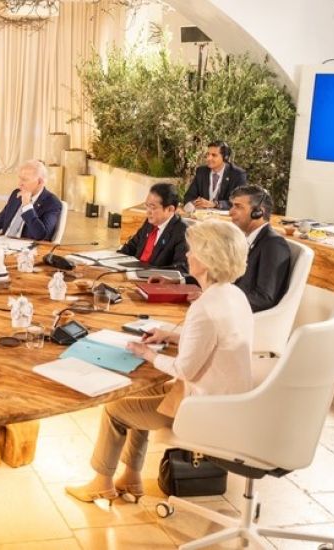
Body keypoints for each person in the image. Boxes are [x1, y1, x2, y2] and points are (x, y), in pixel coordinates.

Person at [66, 219, 253, 503]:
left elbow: (183, 369)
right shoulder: (234, 295)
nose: (187, 254)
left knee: (115, 409)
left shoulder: (204, 307)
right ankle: (131, 477)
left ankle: (101, 482)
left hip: (201, 407)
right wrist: (170, 336)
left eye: (192, 250)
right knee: (143, 391)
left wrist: (147, 354)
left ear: (206, 259)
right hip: (227, 399)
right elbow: (215, 342)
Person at [228, 185, 291, 313]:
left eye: (238, 206)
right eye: (232, 206)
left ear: (258, 212)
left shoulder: (273, 244)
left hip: (246, 318)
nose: (230, 212)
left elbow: (264, 298)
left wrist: (223, 304)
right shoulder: (246, 239)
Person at [0, 160, 62, 241]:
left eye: (25, 180)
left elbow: (42, 236)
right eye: (20, 179)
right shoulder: (16, 194)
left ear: (40, 182)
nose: (19, 184)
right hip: (3, 242)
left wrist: (27, 206)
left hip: (25, 247)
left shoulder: (52, 203)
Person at [117, 182, 189, 272]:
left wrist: (151, 273)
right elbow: (131, 247)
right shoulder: (150, 222)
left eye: (153, 207)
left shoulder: (182, 232)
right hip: (133, 272)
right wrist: (113, 260)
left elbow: (180, 268)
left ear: (170, 209)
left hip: (154, 278)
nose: (148, 212)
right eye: (147, 206)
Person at [183, 141, 248, 210]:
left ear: (225, 157)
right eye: (208, 154)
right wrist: (195, 204)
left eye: (214, 155)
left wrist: (215, 204)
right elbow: (189, 196)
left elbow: (240, 201)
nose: (208, 158)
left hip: (227, 216)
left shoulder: (238, 174)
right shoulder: (201, 172)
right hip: (202, 215)